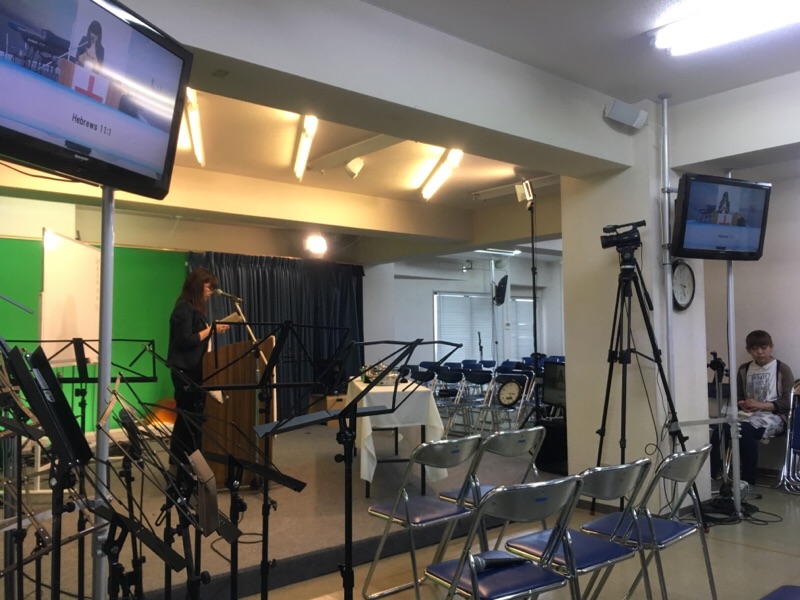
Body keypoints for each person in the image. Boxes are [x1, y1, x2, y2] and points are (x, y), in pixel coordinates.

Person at [710, 330, 794, 486]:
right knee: (721, 429)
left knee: (744, 430)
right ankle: (711, 474)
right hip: (748, 414)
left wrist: (760, 405)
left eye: (764, 347)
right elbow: (738, 396)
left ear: (771, 347)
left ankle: (748, 479)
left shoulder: (782, 369)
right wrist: (743, 403)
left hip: (775, 416)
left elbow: (789, 402)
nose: (760, 352)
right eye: (755, 349)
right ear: (749, 350)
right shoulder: (744, 369)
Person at [167, 268, 229, 469]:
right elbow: (185, 340)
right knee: (186, 417)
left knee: (192, 418)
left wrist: (211, 330)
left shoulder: (194, 310)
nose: (210, 291)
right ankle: (180, 462)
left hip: (195, 369)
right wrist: (210, 330)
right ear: (197, 285)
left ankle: (186, 461)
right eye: (208, 287)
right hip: (185, 371)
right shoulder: (183, 309)